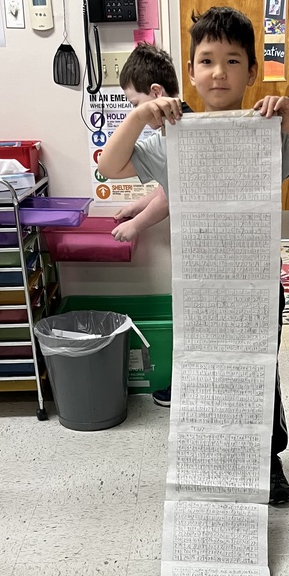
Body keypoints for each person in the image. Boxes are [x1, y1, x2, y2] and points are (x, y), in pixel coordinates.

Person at [98, 6, 289, 505]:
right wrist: (142, 113)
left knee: (258, 371)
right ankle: (216, 456)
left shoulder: (268, 132)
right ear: (190, 71)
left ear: (252, 71)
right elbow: (110, 165)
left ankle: (268, 458)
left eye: (233, 61)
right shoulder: (172, 135)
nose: (218, 72)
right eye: (206, 60)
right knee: (204, 372)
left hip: (255, 284)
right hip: (199, 287)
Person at [111, 41, 193, 408]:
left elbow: (174, 195)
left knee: (195, 327)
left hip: (207, 251)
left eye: (134, 105)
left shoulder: (184, 133)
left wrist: (137, 224)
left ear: (155, 95)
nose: (133, 113)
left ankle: (189, 389)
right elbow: (166, 184)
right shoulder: (168, 134)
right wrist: (136, 205)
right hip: (198, 250)